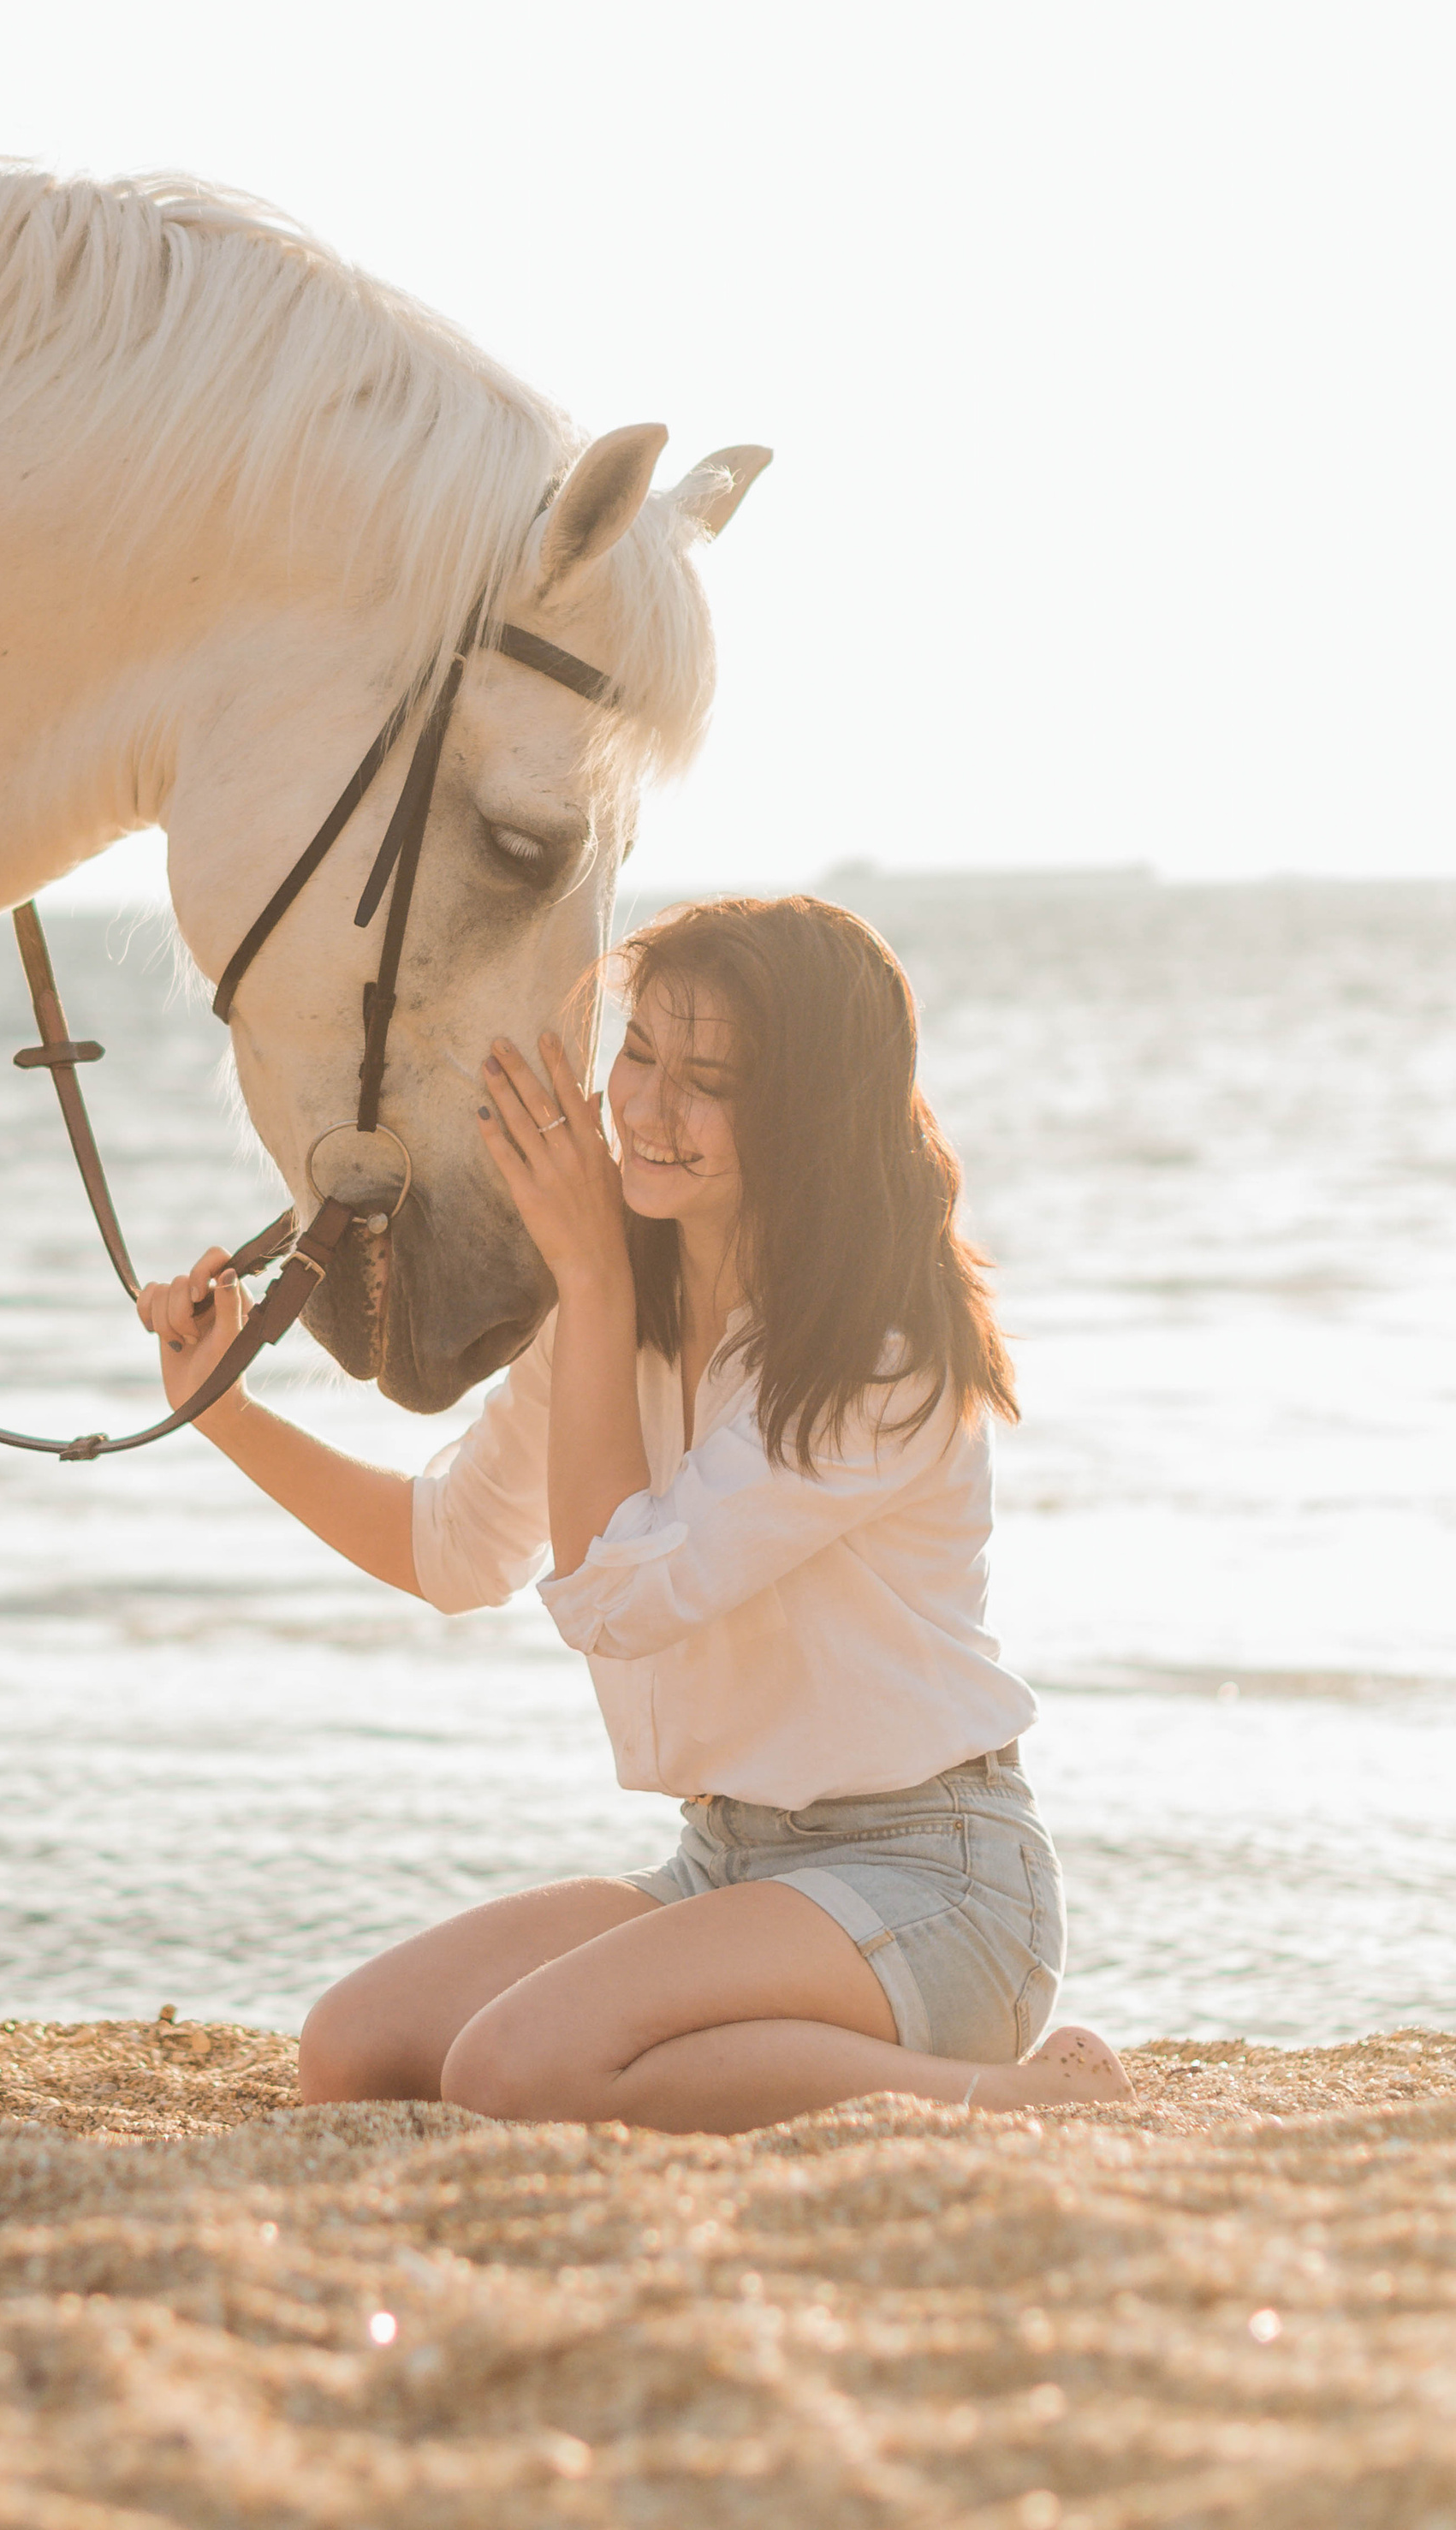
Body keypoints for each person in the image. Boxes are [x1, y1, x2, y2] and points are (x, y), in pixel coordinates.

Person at [138, 895, 1129, 2131]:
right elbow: (449, 1550)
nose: (649, 1110)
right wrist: (221, 1404)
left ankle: (1011, 2098)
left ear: (807, 1115)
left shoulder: (879, 1359)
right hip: (731, 1859)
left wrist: (592, 1273)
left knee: (514, 2068)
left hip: (936, 1876)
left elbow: (617, 1599)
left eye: (707, 1078)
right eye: (640, 1055)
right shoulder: (608, 1320)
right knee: (355, 2045)